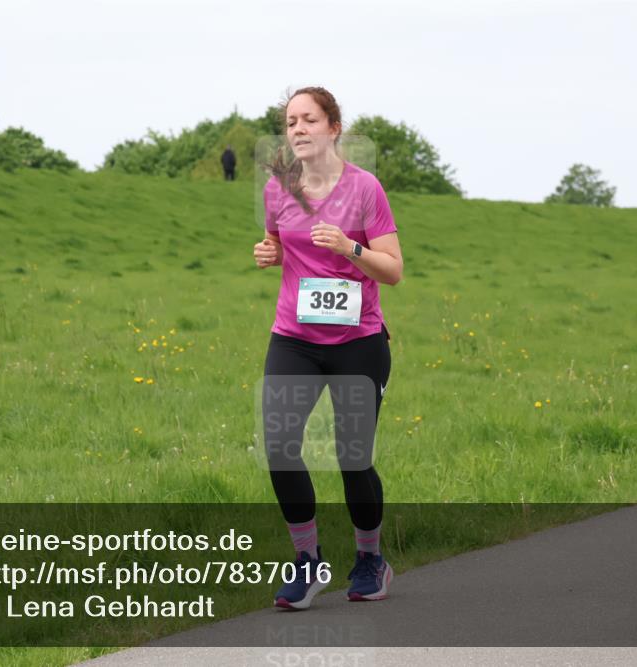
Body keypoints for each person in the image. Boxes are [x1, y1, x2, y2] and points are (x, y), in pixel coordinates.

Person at [252, 86, 404, 610]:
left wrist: (350, 247)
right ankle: (309, 562)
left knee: (352, 456)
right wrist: (269, 252)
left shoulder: (366, 190)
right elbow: (280, 244)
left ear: (333, 127)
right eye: (291, 121)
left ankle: (370, 561)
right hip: (294, 338)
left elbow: (394, 270)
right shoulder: (278, 188)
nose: (297, 129)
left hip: (356, 341)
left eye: (309, 119)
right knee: (279, 447)